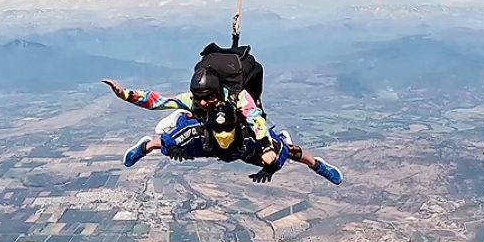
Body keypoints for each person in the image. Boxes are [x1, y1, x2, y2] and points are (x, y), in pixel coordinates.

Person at [101, 68, 343, 185]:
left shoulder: (238, 98)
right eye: (200, 98)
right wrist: (126, 94)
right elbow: (158, 101)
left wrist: (267, 146)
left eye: (209, 97)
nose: (204, 103)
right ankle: (146, 146)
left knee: (284, 154)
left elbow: (256, 119)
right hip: (209, 138)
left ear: (219, 92)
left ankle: (317, 164)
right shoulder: (194, 100)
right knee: (171, 142)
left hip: (241, 138)